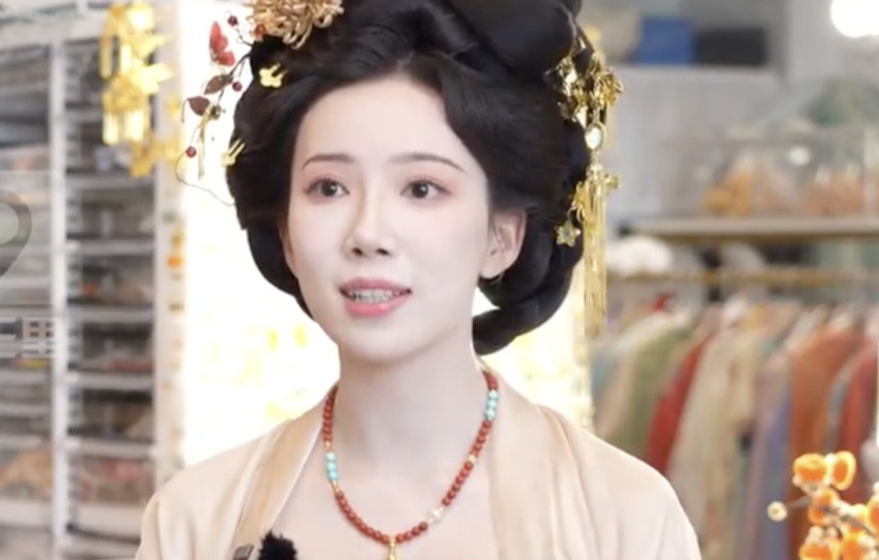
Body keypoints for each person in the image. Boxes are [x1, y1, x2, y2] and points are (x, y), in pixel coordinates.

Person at [136, 0, 701, 558]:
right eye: (329, 187)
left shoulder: (623, 516)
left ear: (501, 237)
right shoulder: (198, 521)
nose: (368, 232)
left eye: (422, 189)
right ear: (285, 233)